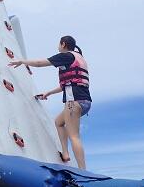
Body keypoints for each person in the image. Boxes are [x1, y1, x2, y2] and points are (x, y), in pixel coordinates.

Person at [8, 35, 91, 169]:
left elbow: (41, 63)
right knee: (58, 122)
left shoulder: (66, 56)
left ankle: (83, 170)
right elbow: (68, 83)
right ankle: (65, 154)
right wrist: (48, 93)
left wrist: (23, 61)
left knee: (74, 136)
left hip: (73, 101)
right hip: (84, 101)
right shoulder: (79, 58)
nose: (58, 46)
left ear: (63, 44)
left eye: (59, 44)